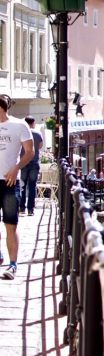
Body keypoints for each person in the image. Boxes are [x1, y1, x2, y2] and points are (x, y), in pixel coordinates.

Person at [0, 96, 33, 280]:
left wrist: (16, 168)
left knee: (10, 225)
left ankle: (12, 265)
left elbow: (30, 152)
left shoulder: (19, 126)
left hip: (10, 182)